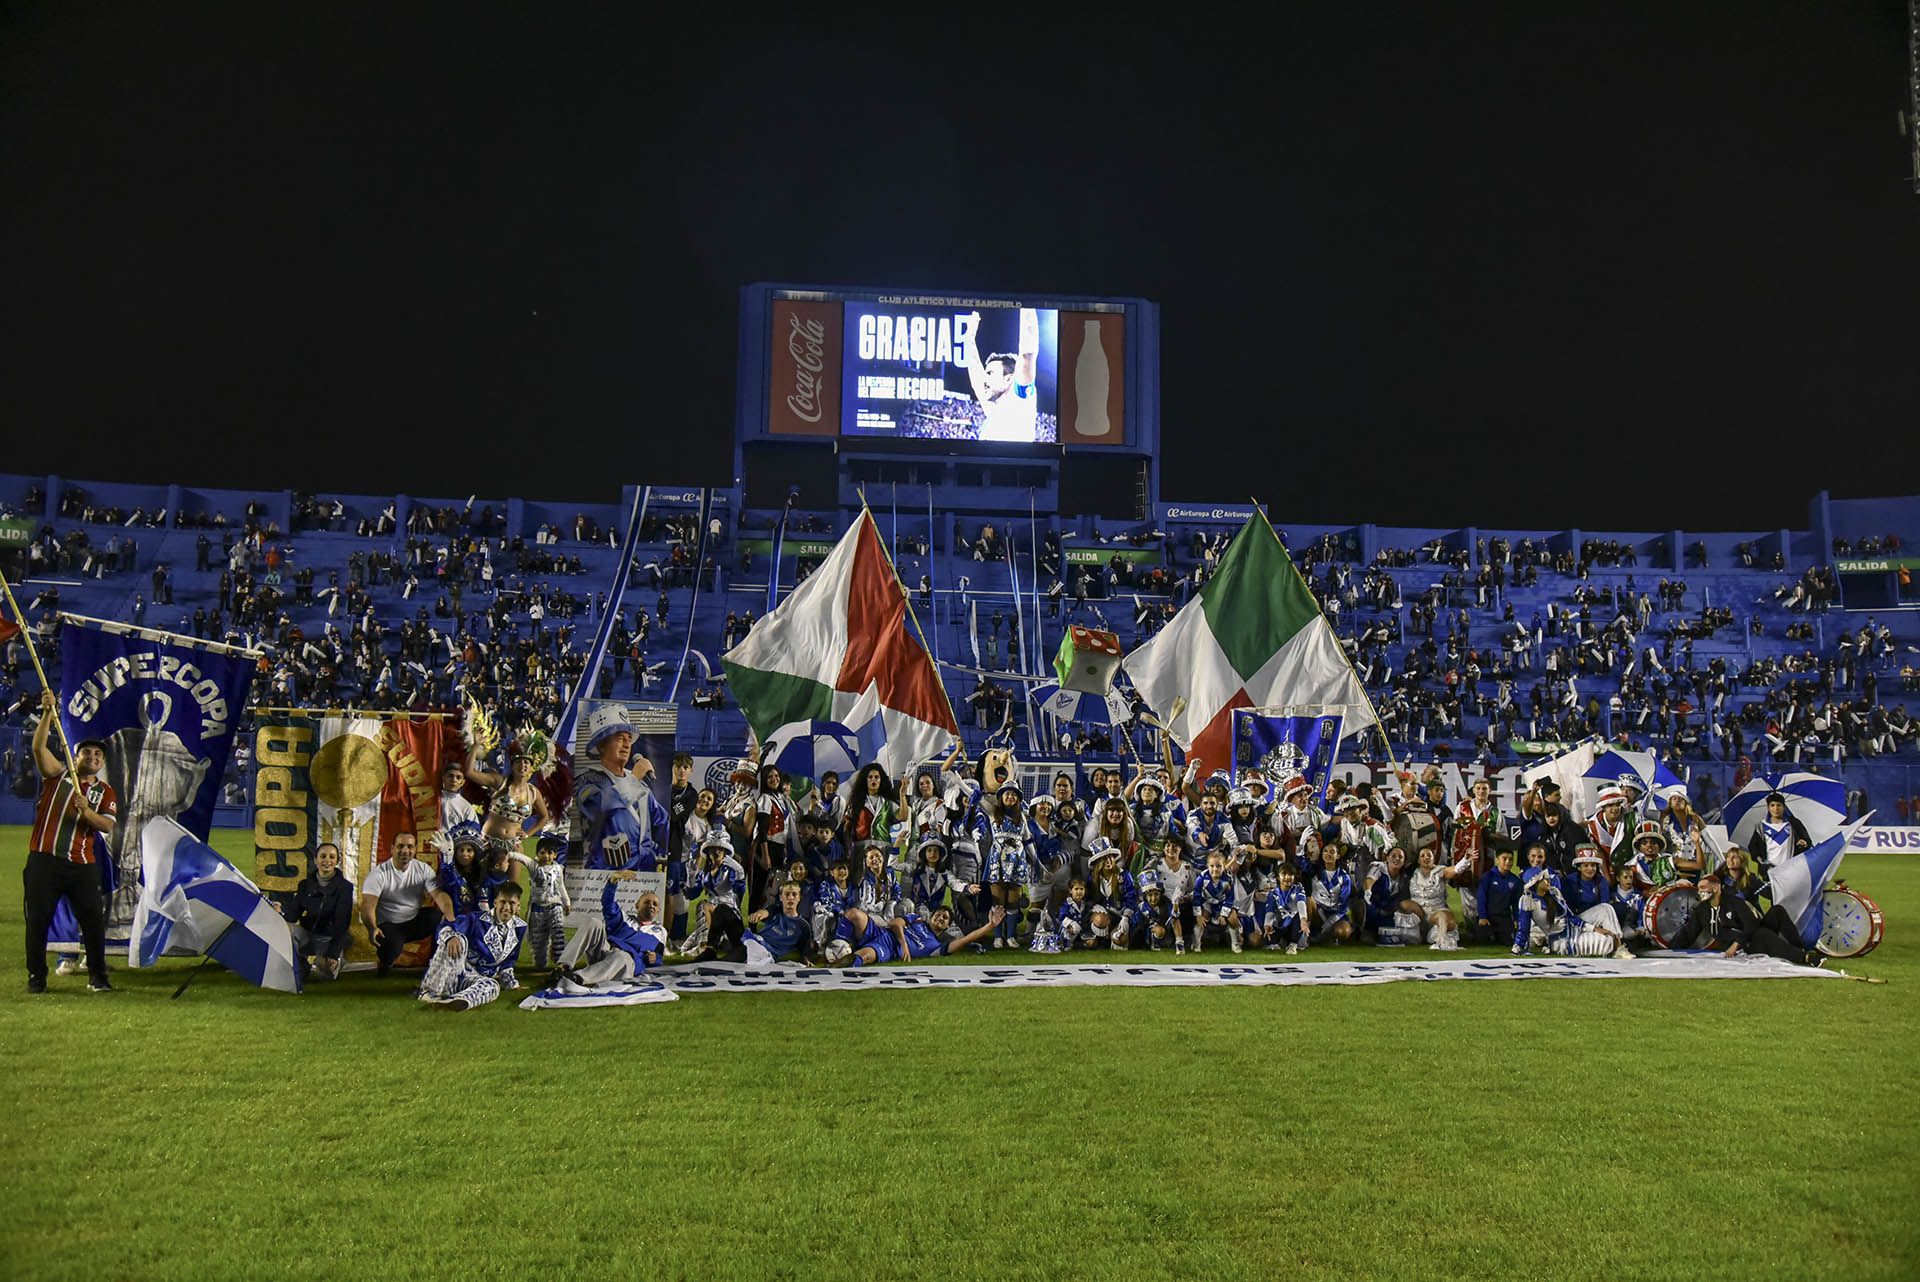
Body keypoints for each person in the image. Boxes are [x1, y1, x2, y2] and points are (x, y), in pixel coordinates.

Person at [24, 690, 118, 993]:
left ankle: (98, 977)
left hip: (81, 865)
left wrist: (86, 811)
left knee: (92, 922)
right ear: (76, 756)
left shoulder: (105, 792)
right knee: (38, 920)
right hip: (43, 860)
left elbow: (106, 825)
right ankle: (36, 978)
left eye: (97, 755)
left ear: (102, 762)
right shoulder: (58, 775)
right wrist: (48, 714)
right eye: (87, 753)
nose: (92, 757)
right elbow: (39, 749)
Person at [572, 705, 667, 870]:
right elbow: (601, 808)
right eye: (619, 738)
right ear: (601, 745)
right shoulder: (587, 781)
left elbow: (662, 824)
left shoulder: (641, 785)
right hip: (607, 876)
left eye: (629, 739)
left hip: (645, 876)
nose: (626, 744)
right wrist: (634, 779)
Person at [1665, 870, 1823, 966]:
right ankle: (1804, 957)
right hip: (1747, 943)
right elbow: (1689, 932)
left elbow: (1751, 924)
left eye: (1703, 888)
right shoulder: (1702, 910)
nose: (1700, 892)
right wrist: (1669, 949)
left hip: (1747, 938)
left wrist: (1736, 943)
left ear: (1716, 888)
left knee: (1777, 911)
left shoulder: (1734, 902)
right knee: (1764, 935)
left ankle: (1800, 949)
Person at [418, 882, 527, 1011]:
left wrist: (511, 985)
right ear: (495, 903)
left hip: (475, 980)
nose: (507, 907)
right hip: (454, 972)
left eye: (512, 903)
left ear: (518, 906)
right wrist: (450, 938)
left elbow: (508, 962)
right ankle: (431, 993)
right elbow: (445, 926)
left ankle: (453, 1002)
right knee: (458, 939)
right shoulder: (475, 919)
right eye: (503, 902)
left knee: (493, 986)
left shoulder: (520, 927)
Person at [359, 831, 454, 977]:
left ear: (415, 849)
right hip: (389, 925)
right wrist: (372, 928)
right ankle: (385, 963)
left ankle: (437, 964)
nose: (405, 850)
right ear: (392, 849)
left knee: (437, 916)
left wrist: (451, 921)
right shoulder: (378, 873)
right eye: (400, 846)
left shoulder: (423, 869)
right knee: (391, 947)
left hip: (413, 922)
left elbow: (439, 895)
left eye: (410, 846)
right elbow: (367, 905)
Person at [561, 876, 667, 982]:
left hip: (627, 961)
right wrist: (612, 883)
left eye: (655, 904)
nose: (651, 906)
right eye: (647, 902)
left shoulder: (660, 931)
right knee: (594, 922)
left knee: (622, 955)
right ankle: (563, 966)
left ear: (658, 910)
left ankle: (577, 978)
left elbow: (659, 958)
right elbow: (608, 904)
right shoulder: (624, 919)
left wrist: (655, 958)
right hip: (606, 952)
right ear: (637, 905)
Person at [463, 737, 553, 857]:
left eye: (526, 762)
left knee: (513, 877)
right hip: (488, 842)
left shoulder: (533, 792)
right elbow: (469, 772)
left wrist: (528, 834)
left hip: (514, 844)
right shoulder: (499, 782)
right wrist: (476, 746)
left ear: (531, 767)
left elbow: (544, 816)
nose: (522, 765)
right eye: (518, 761)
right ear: (512, 766)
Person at [964, 308, 1041, 442]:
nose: (984, 378)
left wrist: (1028, 302)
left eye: (990, 373)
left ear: (1008, 379)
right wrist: (968, 338)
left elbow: (1027, 354)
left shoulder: (1020, 401)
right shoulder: (994, 411)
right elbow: (976, 373)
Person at [284, 841, 353, 980]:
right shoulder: (305, 885)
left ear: (337, 861)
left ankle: (337, 960)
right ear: (316, 860)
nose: (327, 860)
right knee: (285, 930)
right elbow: (292, 914)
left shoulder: (345, 888)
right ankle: (302, 966)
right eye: (323, 856)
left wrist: (333, 952)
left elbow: (342, 923)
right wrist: (281, 911)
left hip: (330, 938)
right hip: (309, 935)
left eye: (332, 857)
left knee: (325, 976)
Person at [508, 833, 572, 970]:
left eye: (550, 853)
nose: (547, 856)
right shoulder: (534, 867)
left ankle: (559, 958)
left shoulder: (558, 869)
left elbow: (561, 886)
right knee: (539, 939)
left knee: (558, 932)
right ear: (537, 854)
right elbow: (522, 859)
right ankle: (540, 963)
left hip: (555, 906)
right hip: (538, 909)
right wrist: (508, 854)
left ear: (555, 855)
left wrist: (566, 903)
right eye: (543, 852)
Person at [1746, 792, 1811, 873]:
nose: (1776, 808)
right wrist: (1760, 860)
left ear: (1784, 807)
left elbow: (1807, 841)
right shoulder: (1761, 827)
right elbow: (1753, 847)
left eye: (1779, 805)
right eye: (1772, 805)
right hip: (1770, 872)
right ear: (1768, 807)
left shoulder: (1793, 823)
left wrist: (1804, 843)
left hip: (1791, 871)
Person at [1474, 849, 1523, 947]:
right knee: (1483, 942)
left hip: (1504, 918)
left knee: (1508, 942)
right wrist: (1483, 916)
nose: (1508, 862)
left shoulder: (1515, 881)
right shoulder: (1487, 876)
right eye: (1504, 859)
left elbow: (1516, 903)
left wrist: (1517, 919)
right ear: (1497, 860)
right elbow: (1481, 897)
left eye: (1510, 859)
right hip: (1488, 917)